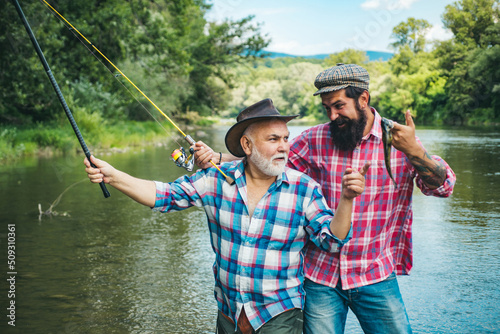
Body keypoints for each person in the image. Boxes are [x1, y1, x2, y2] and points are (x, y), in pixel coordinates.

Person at [193, 64, 456, 333]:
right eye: (327, 107)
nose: (332, 115)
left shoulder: (399, 140)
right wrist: (218, 158)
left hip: (375, 274)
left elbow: (443, 186)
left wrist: (415, 151)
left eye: (339, 106)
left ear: (363, 99)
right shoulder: (314, 138)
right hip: (320, 276)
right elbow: (263, 161)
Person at [84, 98, 369, 334]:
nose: (284, 147)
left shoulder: (304, 188)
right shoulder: (213, 181)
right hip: (229, 315)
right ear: (247, 146)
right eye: (273, 139)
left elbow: (332, 240)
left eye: (285, 139)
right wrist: (113, 176)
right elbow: (163, 196)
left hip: (280, 316)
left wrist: (346, 200)